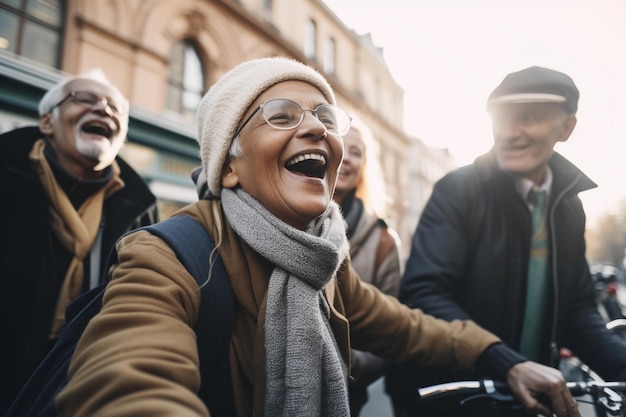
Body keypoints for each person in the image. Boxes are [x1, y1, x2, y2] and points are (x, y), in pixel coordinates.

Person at [55, 58, 579, 417]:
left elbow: (410, 328)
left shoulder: (326, 260)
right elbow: (129, 382)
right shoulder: (167, 255)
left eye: (325, 117)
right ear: (228, 166)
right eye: (281, 115)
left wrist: (505, 360)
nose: (317, 130)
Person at [386, 66, 626, 416]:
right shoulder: (459, 190)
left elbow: (577, 308)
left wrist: (620, 366)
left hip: (527, 395)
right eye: (501, 119)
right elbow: (425, 293)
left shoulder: (569, 207)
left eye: (527, 118)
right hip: (452, 394)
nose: (509, 133)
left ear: (566, 127)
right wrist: (506, 362)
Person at [0, 69, 158, 414]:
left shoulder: (143, 211)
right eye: (84, 98)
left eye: (116, 108)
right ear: (47, 122)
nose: (103, 110)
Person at [333, 120, 403, 415]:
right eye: (341, 146)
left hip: (347, 395)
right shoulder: (284, 215)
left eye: (357, 152)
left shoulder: (383, 241)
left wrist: (344, 364)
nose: (348, 157)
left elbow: (390, 330)